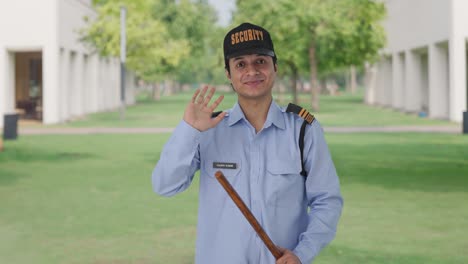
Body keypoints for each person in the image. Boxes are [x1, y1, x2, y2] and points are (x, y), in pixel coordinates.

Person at [152, 22, 343, 264]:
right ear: (228, 75)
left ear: (275, 67)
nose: (251, 71)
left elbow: (327, 201)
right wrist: (189, 130)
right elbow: (165, 186)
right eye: (240, 64)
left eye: (260, 61)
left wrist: (302, 254)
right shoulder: (208, 128)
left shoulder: (303, 129)